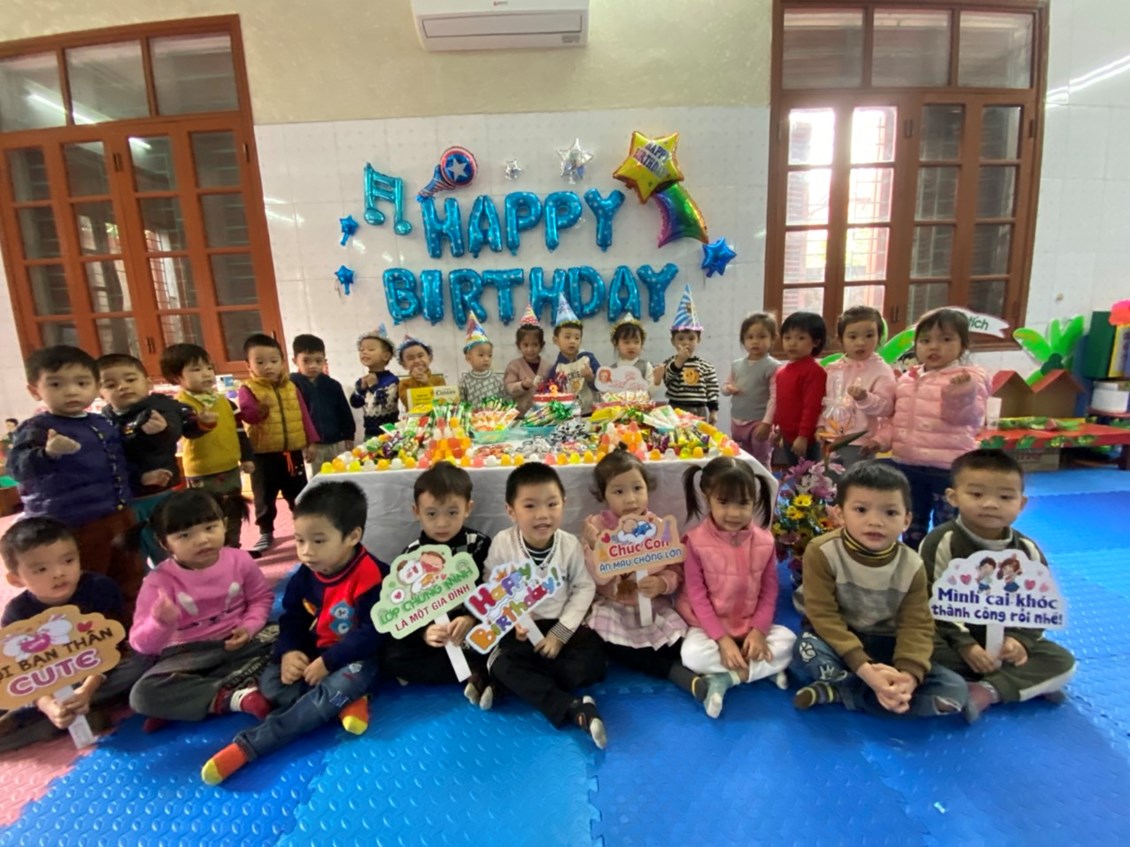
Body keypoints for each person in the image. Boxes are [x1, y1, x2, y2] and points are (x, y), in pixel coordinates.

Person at [200, 481, 385, 785]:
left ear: (352, 536)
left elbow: (373, 632)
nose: (306, 552)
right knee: (272, 685)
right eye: (299, 541)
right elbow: (292, 618)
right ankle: (342, 701)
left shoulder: (371, 575)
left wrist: (329, 662)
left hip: (355, 657)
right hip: (315, 653)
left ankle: (252, 745)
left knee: (341, 683)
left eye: (318, 541)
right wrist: (290, 652)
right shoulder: (305, 574)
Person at [791, 462, 968, 718]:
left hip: (888, 644)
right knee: (804, 650)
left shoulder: (912, 564)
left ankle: (844, 691)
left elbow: (917, 624)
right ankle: (871, 691)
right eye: (861, 510)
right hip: (840, 642)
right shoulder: (821, 551)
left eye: (890, 512)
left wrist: (908, 676)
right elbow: (823, 616)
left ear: (906, 520)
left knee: (954, 692)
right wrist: (865, 669)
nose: (875, 522)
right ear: (839, 514)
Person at [920, 449, 1076, 721]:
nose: (991, 504)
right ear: (953, 497)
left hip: (1004, 641)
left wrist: (1019, 641)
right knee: (918, 651)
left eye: (1005, 497)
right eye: (976, 494)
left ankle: (987, 690)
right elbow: (929, 601)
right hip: (950, 639)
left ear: (1021, 503)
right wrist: (966, 645)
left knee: (1063, 661)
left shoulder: (1026, 549)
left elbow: (1037, 605)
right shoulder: (941, 542)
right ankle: (1022, 684)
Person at [7, 345, 144, 621]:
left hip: (118, 515)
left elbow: (116, 462)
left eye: (81, 383)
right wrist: (47, 454)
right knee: (84, 584)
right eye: (56, 384)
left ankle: (130, 631)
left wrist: (142, 476)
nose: (71, 391)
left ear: (96, 386)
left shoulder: (101, 422)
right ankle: (87, 636)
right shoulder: (38, 428)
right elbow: (17, 468)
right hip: (72, 524)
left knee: (130, 575)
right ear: (35, 390)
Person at [128, 490, 276, 731]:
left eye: (210, 528)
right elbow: (142, 645)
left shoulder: (240, 560)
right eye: (185, 535)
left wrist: (248, 627)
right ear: (163, 542)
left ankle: (191, 701)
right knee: (142, 695)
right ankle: (232, 698)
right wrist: (160, 623)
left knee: (293, 638)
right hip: (189, 654)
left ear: (224, 524)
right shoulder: (159, 581)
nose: (202, 540)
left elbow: (261, 599)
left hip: (242, 643)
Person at [0, 518, 151, 752]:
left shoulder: (100, 588)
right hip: (47, 685)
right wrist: (48, 705)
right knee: (8, 685)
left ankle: (58, 717)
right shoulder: (17, 614)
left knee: (143, 662)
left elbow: (115, 647)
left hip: (99, 675)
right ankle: (58, 716)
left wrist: (87, 690)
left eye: (68, 561)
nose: (59, 573)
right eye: (41, 569)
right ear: (16, 579)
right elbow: (23, 672)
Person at [485, 462, 607, 747]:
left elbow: (584, 587)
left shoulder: (569, 544)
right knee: (502, 663)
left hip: (560, 628)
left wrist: (560, 634)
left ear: (564, 503)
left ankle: (520, 686)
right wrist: (510, 617)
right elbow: (490, 583)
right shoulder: (503, 543)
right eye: (530, 506)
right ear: (511, 511)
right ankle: (572, 707)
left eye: (552, 504)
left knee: (594, 661)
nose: (543, 515)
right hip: (521, 631)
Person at [581, 449, 710, 711]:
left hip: (653, 606)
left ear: (647, 489)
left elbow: (675, 568)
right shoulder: (597, 527)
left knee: (676, 641)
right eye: (618, 491)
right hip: (614, 607)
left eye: (637, 488)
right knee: (611, 644)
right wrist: (595, 546)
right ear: (603, 495)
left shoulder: (659, 526)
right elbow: (595, 576)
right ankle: (673, 672)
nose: (630, 499)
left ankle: (693, 667)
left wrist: (662, 583)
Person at [677, 457, 795, 717]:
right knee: (691, 656)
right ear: (707, 497)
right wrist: (722, 640)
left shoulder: (765, 541)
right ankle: (760, 669)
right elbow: (697, 597)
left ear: (754, 500)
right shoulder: (695, 542)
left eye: (743, 503)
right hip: (709, 627)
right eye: (723, 502)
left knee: (789, 641)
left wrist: (759, 631)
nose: (734, 513)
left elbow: (769, 592)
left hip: (749, 622)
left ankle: (728, 678)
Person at [381, 464, 492, 706]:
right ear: (416, 511)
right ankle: (474, 672)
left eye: (452, 513)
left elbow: (491, 588)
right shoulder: (410, 556)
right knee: (392, 655)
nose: (442, 523)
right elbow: (404, 607)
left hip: (472, 626)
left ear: (468, 508)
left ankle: (483, 669)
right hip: (437, 634)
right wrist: (424, 631)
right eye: (431, 514)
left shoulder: (478, 544)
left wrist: (471, 617)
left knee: (501, 637)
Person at [889, 308, 990, 548]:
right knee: (911, 522)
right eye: (925, 341)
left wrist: (960, 395)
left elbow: (970, 419)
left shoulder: (969, 379)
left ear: (962, 345)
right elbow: (896, 418)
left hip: (947, 467)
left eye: (945, 339)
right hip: (908, 463)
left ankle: (946, 562)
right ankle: (914, 561)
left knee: (948, 524)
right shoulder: (907, 379)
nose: (934, 347)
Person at [97, 353, 208, 566]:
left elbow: (176, 429)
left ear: (148, 383)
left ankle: (179, 578)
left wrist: (164, 430)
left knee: (168, 545)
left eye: (130, 379)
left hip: (160, 493)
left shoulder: (160, 406)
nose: (122, 387)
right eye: (110, 385)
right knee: (133, 553)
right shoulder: (103, 421)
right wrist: (138, 478)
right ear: (100, 393)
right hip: (125, 498)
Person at [160, 343, 254, 551]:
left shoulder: (226, 402)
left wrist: (247, 457)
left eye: (209, 368)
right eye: (196, 369)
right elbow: (184, 431)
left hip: (230, 468)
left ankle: (233, 550)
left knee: (234, 510)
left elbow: (240, 432)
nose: (206, 374)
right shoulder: (179, 406)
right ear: (176, 377)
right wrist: (199, 423)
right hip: (202, 472)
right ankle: (213, 554)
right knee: (207, 517)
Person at [239, 333, 319, 556]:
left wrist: (310, 442)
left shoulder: (291, 387)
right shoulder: (248, 389)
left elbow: (304, 416)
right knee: (264, 496)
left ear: (282, 362)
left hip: (292, 452)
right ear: (248, 365)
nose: (268, 367)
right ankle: (266, 531)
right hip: (263, 454)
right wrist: (260, 409)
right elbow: (247, 417)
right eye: (260, 362)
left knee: (299, 492)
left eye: (273, 361)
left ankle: (304, 526)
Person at [817, 306, 896, 469]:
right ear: (841, 339)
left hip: (860, 442)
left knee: (856, 481)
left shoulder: (881, 370)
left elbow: (887, 408)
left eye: (869, 335)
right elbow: (826, 402)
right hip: (829, 438)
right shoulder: (833, 368)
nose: (861, 342)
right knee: (826, 480)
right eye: (852, 336)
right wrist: (820, 425)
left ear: (879, 337)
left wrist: (864, 398)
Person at [767, 311, 827, 466]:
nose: (792, 343)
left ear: (816, 342)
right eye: (787, 338)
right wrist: (779, 431)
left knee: (809, 477)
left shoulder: (814, 372)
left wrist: (803, 436)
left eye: (800, 338)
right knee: (794, 473)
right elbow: (782, 405)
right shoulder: (782, 372)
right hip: (788, 436)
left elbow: (812, 407)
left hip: (806, 440)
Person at [290, 334, 356, 475]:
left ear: (324, 361)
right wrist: (308, 442)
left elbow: (344, 411)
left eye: (318, 361)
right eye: (306, 361)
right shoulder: (291, 385)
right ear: (295, 361)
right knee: (316, 478)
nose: (313, 365)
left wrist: (349, 435)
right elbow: (295, 418)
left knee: (337, 475)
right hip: (309, 446)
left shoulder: (333, 385)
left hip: (333, 442)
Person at [723, 312, 779, 467]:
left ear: (773, 338)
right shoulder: (736, 365)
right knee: (741, 459)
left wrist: (766, 424)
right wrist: (728, 388)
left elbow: (775, 398)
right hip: (737, 421)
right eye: (750, 337)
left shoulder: (773, 366)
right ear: (743, 340)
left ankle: (764, 483)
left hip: (759, 422)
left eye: (762, 336)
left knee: (761, 460)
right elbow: (725, 386)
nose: (755, 341)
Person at [662, 285, 719, 423]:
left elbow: (712, 389)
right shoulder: (670, 362)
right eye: (681, 339)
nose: (686, 342)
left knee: (698, 435)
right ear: (673, 341)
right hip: (676, 409)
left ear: (698, 340)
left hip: (699, 410)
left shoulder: (706, 366)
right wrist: (679, 361)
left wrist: (713, 412)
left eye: (691, 338)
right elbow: (667, 379)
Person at [550, 293, 600, 415]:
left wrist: (591, 378)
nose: (572, 341)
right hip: (567, 416)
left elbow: (604, 385)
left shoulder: (588, 359)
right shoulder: (556, 369)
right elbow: (551, 394)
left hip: (592, 413)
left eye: (577, 337)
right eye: (567, 337)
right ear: (556, 340)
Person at [503, 305, 554, 414]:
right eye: (525, 345)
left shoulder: (548, 367)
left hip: (544, 415)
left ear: (542, 345)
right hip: (521, 416)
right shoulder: (514, 366)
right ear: (518, 345)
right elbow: (508, 388)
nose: (530, 349)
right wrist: (522, 385)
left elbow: (554, 389)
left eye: (534, 345)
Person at [351, 325, 399, 438]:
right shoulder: (362, 380)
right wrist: (361, 389)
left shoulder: (391, 380)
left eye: (370, 349)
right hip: (369, 433)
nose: (364, 352)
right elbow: (355, 403)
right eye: (361, 350)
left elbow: (384, 404)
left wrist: (373, 386)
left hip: (390, 432)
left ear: (386, 355)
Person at [608, 317, 665, 401]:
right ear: (616, 344)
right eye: (626, 342)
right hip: (618, 408)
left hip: (642, 407)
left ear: (642, 344)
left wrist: (657, 381)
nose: (632, 346)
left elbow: (650, 393)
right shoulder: (611, 370)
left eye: (636, 342)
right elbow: (608, 395)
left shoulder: (646, 366)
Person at [458, 317, 506, 407]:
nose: (486, 359)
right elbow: (462, 405)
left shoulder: (497, 380)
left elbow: (504, 403)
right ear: (468, 358)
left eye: (489, 355)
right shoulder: (464, 382)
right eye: (481, 355)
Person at [396, 336, 445, 411]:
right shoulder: (403, 383)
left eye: (420, 356)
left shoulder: (439, 380)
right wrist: (415, 380)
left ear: (429, 358)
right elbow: (408, 404)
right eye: (410, 358)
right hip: (414, 418)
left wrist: (427, 383)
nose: (417, 361)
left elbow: (442, 402)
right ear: (404, 364)